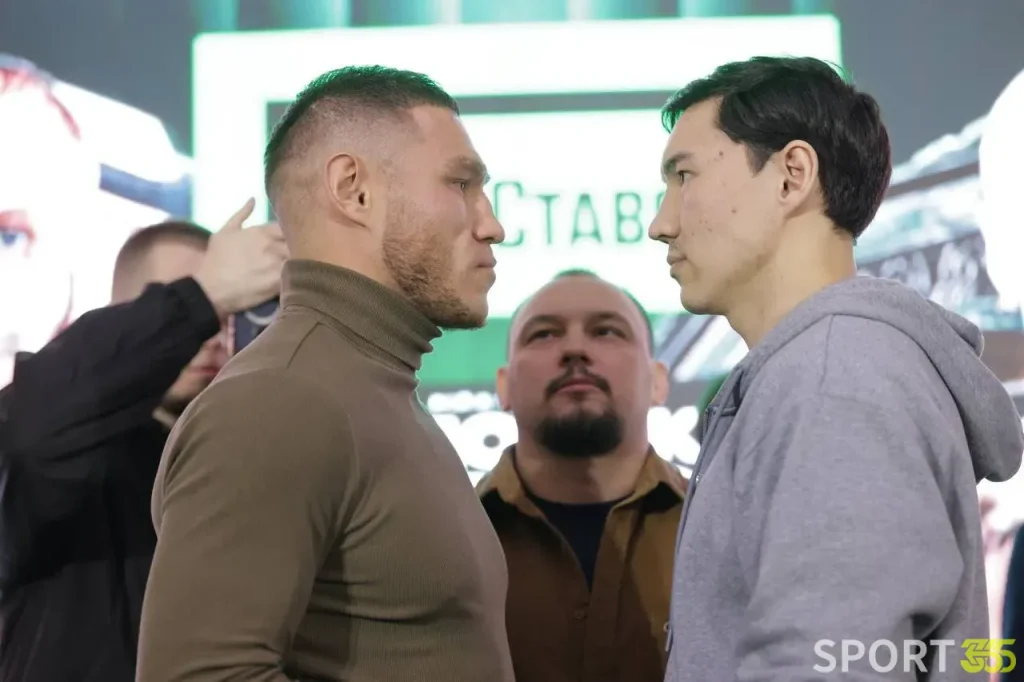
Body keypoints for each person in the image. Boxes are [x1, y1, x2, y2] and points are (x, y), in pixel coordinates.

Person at [648, 55, 1024, 681]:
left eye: (684, 176)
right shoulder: (822, 369)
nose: (660, 224)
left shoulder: (834, 378)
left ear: (791, 176)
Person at [135, 65, 514, 682]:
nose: (491, 224)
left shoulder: (370, 389)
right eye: (461, 183)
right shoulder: (278, 401)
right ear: (353, 189)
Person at [0, 204, 286, 682]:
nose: (211, 332)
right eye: (177, 297)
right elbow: (31, 429)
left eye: (229, 312)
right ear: (125, 317)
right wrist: (201, 298)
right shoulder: (65, 457)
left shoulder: (250, 460)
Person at [477, 269, 686, 682]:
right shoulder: (450, 538)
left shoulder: (722, 529)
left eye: (606, 331)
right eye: (543, 334)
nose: (574, 349)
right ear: (503, 386)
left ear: (658, 382)